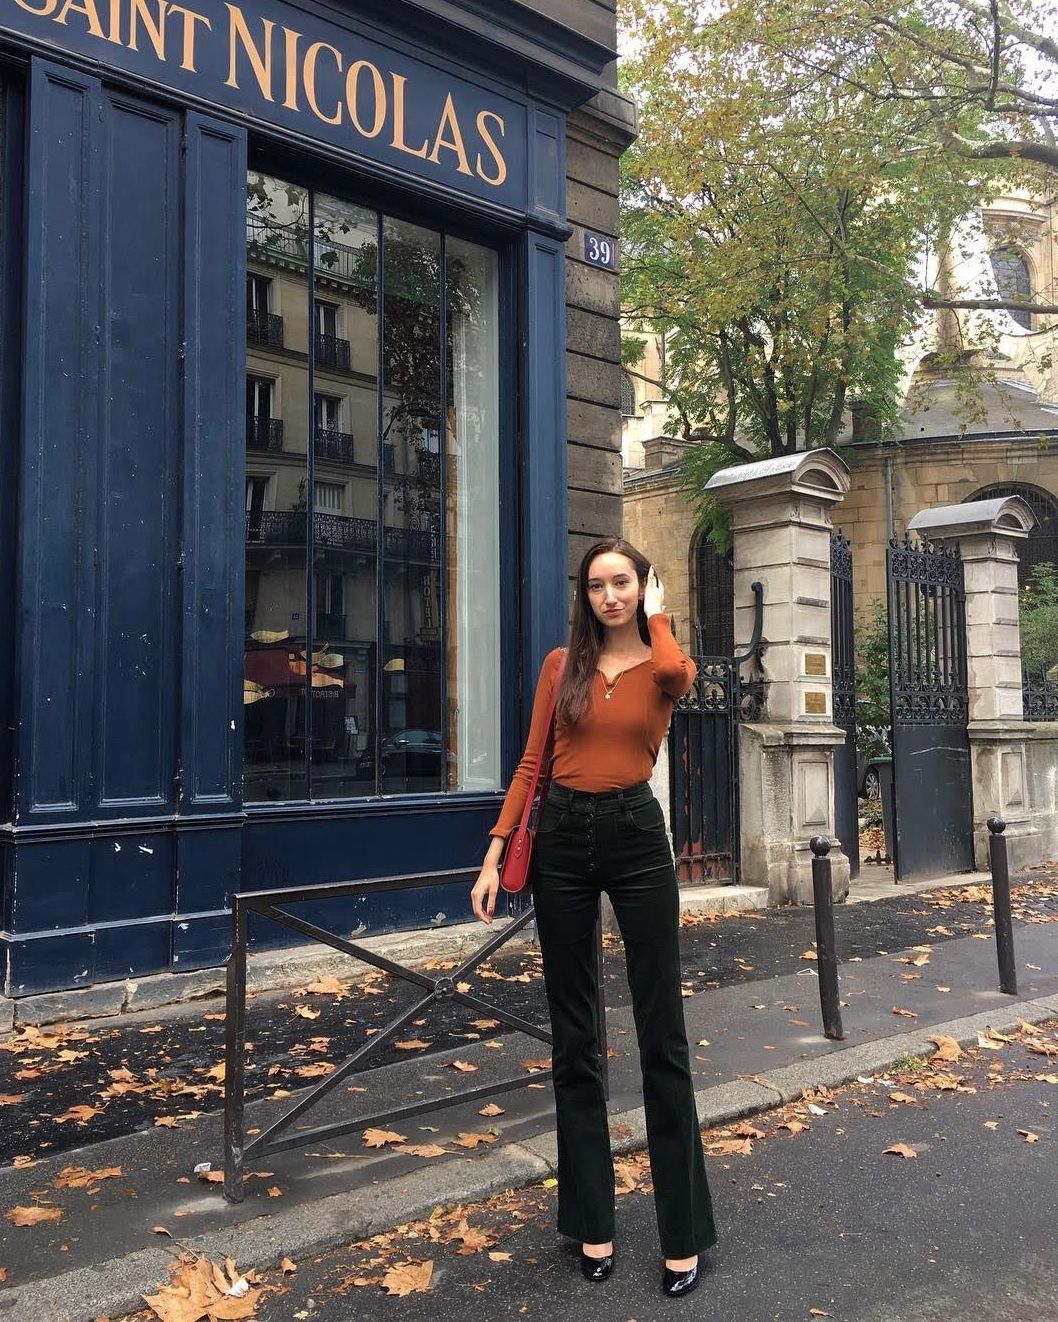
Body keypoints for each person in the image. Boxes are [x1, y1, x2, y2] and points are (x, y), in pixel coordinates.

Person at [471, 537, 717, 1299]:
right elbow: (532, 763)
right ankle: (590, 1220)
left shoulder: (667, 665)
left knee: (662, 1034)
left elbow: (675, 673)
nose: (608, 596)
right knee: (575, 1034)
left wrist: (662, 614)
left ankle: (684, 1232)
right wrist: (495, 849)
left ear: (642, 588)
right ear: (583, 596)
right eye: (596, 586)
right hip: (565, 842)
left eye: (623, 584)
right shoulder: (561, 666)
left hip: (638, 837)